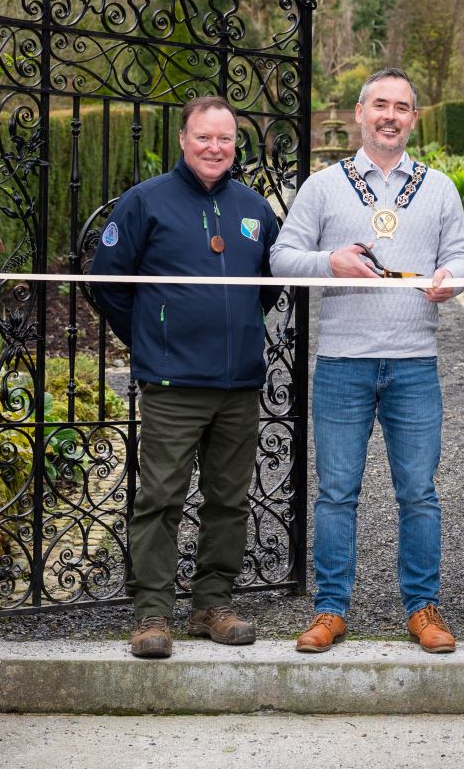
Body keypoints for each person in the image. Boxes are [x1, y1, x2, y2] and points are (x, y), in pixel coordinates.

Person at [270, 67, 464, 654]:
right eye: (379, 105)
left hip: (413, 361)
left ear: (415, 118)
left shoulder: (439, 187)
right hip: (342, 362)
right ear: (360, 113)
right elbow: (283, 258)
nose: (390, 115)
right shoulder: (322, 186)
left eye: (402, 107)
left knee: (419, 492)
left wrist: (451, 282)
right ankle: (331, 610)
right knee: (337, 492)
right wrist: (327, 263)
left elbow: (461, 258)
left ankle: (423, 608)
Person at [88, 95, 281, 659]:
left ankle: (211, 604)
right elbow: (107, 283)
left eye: (225, 138)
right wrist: (155, 335)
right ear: (183, 139)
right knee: (161, 497)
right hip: (173, 384)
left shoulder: (254, 208)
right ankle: (152, 613)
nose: (215, 147)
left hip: (239, 383)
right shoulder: (146, 202)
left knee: (229, 499)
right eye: (204, 137)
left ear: (235, 143)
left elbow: (267, 289)